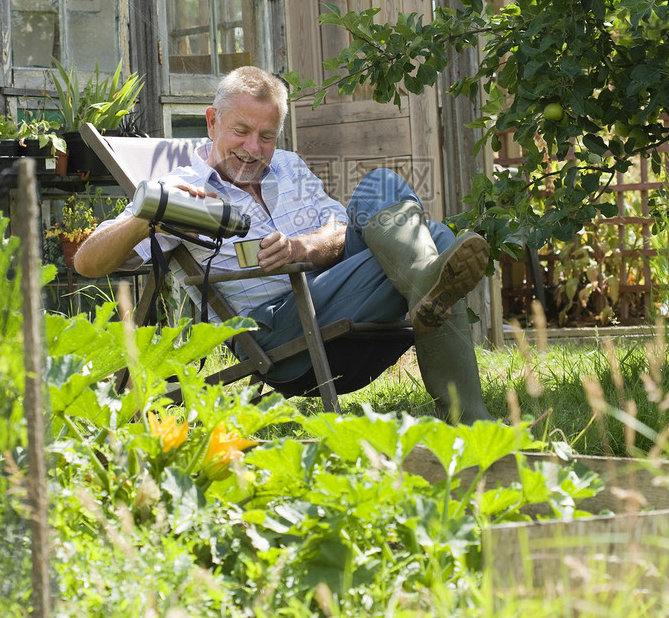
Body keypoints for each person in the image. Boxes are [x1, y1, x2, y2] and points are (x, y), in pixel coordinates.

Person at [74, 66, 492, 423]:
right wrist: (151, 212)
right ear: (212, 122)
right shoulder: (180, 190)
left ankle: (425, 284)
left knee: (381, 186)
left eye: (267, 136)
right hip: (277, 331)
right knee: (435, 238)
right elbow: (88, 262)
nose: (254, 149)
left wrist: (300, 249)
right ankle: (470, 418)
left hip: (331, 293)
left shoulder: (288, 166)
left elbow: (338, 225)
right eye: (241, 131)